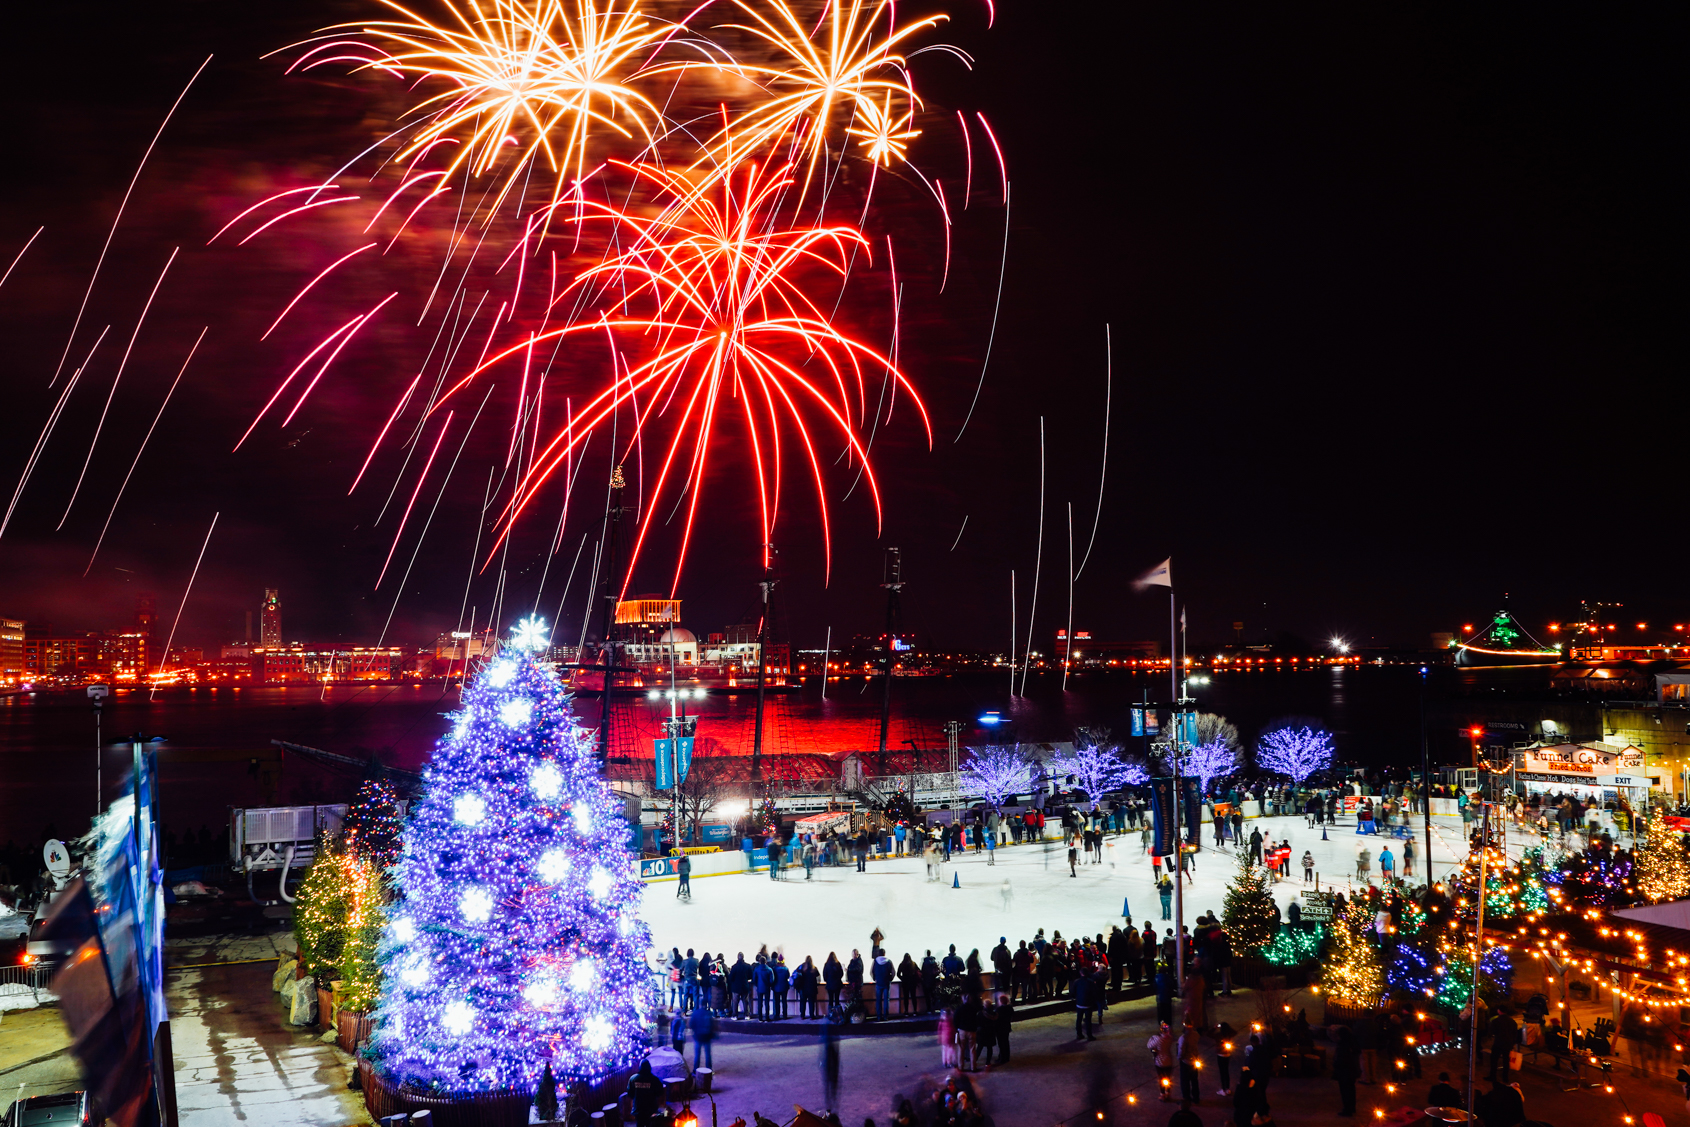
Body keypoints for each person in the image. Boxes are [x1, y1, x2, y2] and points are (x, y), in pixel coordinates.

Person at [626, 1059, 665, 1125]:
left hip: (638, 1109)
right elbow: (660, 1093)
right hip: (651, 1109)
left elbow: (630, 1094)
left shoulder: (632, 1078)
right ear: (649, 1067)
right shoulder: (655, 1079)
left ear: (640, 1067)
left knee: (639, 1124)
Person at [1333, 1024, 1360, 1117]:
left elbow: (1341, 1060)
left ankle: (1347, 1110)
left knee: (1345, 1091)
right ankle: (1352, 1107)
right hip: (1352, 1072)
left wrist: (1336, 1065)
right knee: (1351, 1090)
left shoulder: (1343, 1046)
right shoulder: (1352, 1044)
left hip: (1345, 1073)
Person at [1148, 1022, 1176, 1100]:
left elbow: (1149, 1045)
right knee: (1168, 1078)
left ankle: (1162, 1094)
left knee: (1161, 1079)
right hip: (1169, 1060)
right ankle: (1168, 1093)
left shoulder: (1158, 1039)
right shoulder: (1170, 1038)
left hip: (1159, 1062)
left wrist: (1152, 1037)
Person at [1178, 1020, 1203, 1104]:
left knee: (1185, 1081)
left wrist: (1179, 1058)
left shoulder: (1183, 1038)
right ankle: (1196, 1098)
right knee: (1194, 1081)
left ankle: (1186, 1098)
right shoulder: (1196, 1034)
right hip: (1194, 1060)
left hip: (1186, 1062)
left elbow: (1181, 1050)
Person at [690, 1001, 718, 1070]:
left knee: (697, 1055)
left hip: (698, 1036)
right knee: (708, 1054)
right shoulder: (709, 1013)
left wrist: (694, 1032)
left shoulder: (695, 1013)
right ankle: (709, 1069)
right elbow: (712, 1025)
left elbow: (691, 1024)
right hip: (707, 1036)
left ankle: (695, 1070)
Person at [1072, 969, 1095, 1040]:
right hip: (1088, 1004)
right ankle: (1089, 1035)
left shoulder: (1076, 982)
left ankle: (1079, 1034)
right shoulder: (1091, 982)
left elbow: (1073, 992)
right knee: (1088, 1020)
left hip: (1079, 1003)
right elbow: (1094, 992)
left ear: (1080, 973)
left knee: (1079, 1019)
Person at [1215, 1021, 1236, 1097]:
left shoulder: (1218, 1035)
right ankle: (1227, 1088)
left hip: (1220, 1055)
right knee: (1226, 1071)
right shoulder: (1229, 1034)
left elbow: (1209, 1034)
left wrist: (1215, 1028)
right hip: (1227, 1054)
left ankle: (1223, 1089)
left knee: (1222, 1072)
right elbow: (1235, 1032)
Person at [872, 950, 894, 1018]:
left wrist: (875, 979)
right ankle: (885, 1016)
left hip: (878, 983)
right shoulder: (888, 961)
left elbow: (871, 972)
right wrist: (890, 979)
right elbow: (893, 972)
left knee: (878, 1000)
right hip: (886, 983)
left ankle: (879, 1016)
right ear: (884, 953)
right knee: (886, 1000)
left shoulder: (875, 961)